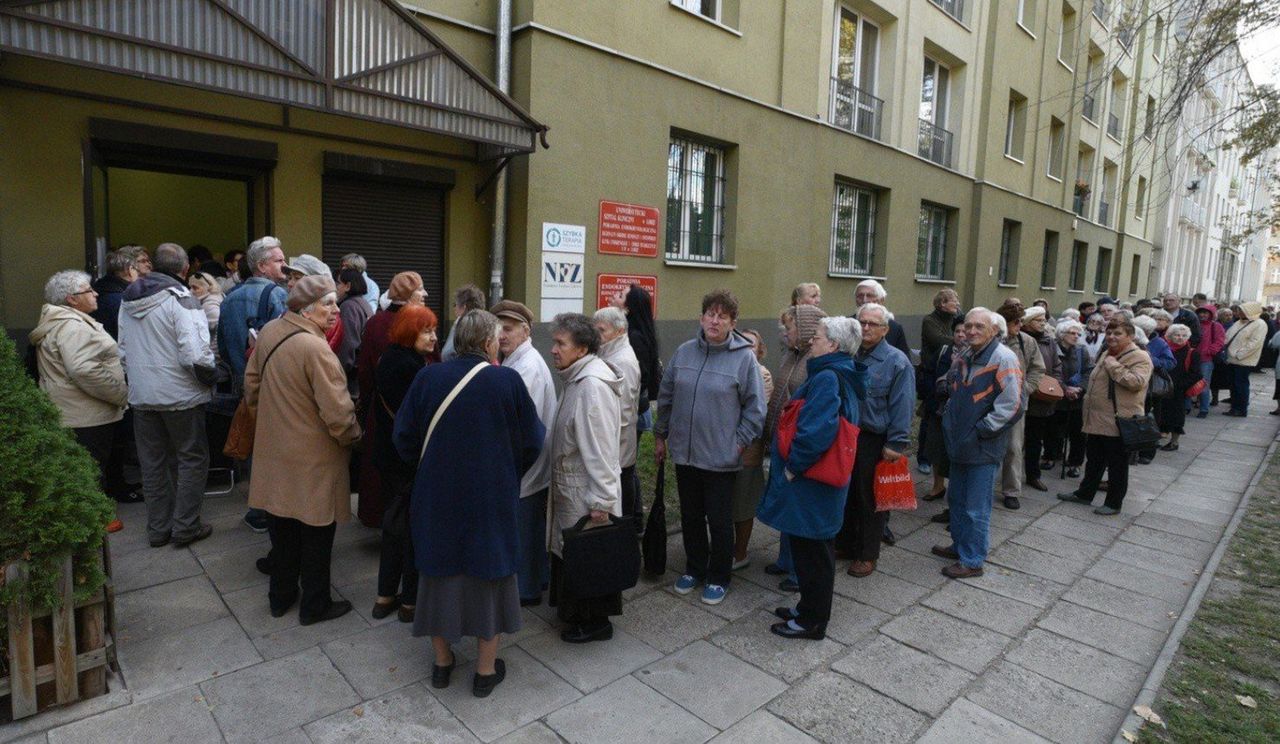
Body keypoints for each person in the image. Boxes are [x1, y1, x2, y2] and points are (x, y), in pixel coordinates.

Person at [394, 310, 544, 698]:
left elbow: (404, 438)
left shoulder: (427, 376)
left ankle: (443, 664)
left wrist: (430, 467)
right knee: (489, 577)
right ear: (489, 343)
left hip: (435, 493)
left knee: (437, 574)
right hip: (490, 496)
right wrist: (506, 472)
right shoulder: (506, 381)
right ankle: (484, 671)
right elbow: (533, 441)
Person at [245, 275, 360, 625]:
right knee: (316, 534)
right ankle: (315, 605)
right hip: (313, 458)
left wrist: (271, 423)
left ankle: (279, 598)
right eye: (328, 304)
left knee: (282, 531)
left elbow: (250, 387)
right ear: (306, 310)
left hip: (274, 453)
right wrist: (353, 438)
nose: (335, 311)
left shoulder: (269, 332)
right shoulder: (316, 348)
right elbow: (339, 414)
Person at [757, 317, 865, 639]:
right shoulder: (840, 372)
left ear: (832, 344)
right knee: (813, 551)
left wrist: (794, 467)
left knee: (814, 555)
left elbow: (816, 431)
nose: (811, 342)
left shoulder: (828, 378)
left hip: (812, 483)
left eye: (816, 337)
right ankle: (807, 608)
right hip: (821, 485)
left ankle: (812, 621)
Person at [656, 289, 765, 606]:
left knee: (719, 521)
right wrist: (661, 435)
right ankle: (694, 567)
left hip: (721, 458)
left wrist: (739, 442)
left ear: (733, 322)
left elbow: (755, 409)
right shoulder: (685, 352)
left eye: (722, 315)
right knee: (691, 516)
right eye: (710, 314)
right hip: (686, 455)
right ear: (702, 317)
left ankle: (718, 576)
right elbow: (666, 396)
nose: (714, 320)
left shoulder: (744, 358)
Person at [118, 243, 216, 548]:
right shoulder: (182, 299)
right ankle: (186, 527)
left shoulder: (127, 300)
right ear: (185, 269)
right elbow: (195, 356)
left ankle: (158, 529)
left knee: (152, 463)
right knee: (191, 459)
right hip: (181, 395)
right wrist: (213, 376)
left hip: (142, 395)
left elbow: (122, 351)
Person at [30, 270, 132, 531]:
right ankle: (96, 522)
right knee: (90, 468)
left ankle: (92, 519)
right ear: (72, 299)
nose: (95, 293)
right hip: (86, 414)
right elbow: (84, 370)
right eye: (89, 290)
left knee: (84, 468)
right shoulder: (72, 326)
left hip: (75, 411)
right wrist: (120, 394)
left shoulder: (64, 321)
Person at [545, 313, 624, 643]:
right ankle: (577, 615)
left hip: (585, 492)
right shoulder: (577, 377)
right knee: (575, 556)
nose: (553, 350)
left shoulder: (591, 386)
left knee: (588, 557)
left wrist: (602, 501)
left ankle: (595, 624)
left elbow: (602, 449)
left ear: (582, 348)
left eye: (561, 343)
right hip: (572, 487)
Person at [932, 308, 1024, 578]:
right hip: (960, 442)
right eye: (968, 325)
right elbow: (953, 384)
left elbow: (1013, 404)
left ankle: (972, 560)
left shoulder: (1004, 358)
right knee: (957, 500)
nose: (971, 331)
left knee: (976, 507)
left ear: (994, 330)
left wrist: (982, 430)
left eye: (979, 327)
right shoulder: (966, 353)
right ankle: (960, 546)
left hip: (982, 445)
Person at [370, 305, 438, 623]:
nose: (434, 337)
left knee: (394, 523)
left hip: (388, 454)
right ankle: (410, 601)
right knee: (412, 529)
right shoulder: (414, 368)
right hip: (408, 458)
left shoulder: (389, 358)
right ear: (411, 332)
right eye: (427, 331)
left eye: (435, 330)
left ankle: (385, 596)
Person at [836, 302, 913, 577]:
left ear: (885, 330)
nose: (865, 328)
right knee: (845, 493)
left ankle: (868, 554)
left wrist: (896, 443)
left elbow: (903, 404)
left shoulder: (896, 361)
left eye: (872, 324)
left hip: (874, 438)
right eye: (862, 322)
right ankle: (845, 544)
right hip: (846, 434)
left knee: (870, 499)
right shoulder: (848, 353)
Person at [493, 300, 557, 606]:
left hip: (527, 463)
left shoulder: (526, 366)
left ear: (525, 330)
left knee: (525, 527)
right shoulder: (517, 359)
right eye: (498, 329)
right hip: (528, 462)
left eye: (507, 329)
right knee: (529, 528)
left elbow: (518, 424)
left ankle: (526, 590)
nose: (501, 335)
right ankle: (536, 580)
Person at [354, 271, 428, 528]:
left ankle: (380, 518)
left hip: (380, 407)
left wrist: (365, 402)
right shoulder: (419, 322)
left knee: (380, 467)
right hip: (413, 414)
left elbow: (363, 368)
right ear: (409, 295)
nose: (426, 294)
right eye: (421, 289)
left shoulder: (374, 323)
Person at [1057, 318, 1153, 515]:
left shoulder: (1139, 356)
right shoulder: (1108, 352)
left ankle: (1113, 503)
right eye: (1109, 333)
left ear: (1130, 336)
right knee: (1094, 460)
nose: (1111, 337)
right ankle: (1085, 494)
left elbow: (1136, 382)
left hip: (1119, 420)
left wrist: (1113, 365)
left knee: (1117, 465)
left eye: (1117, 334)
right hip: (1097, 419)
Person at [763, 304, 827, 589]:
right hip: (781, 439)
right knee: (785, 502)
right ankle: (785, 560)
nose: (784, 334)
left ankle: (798, 573)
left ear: (804, 330)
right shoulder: (791, 354)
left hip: (798, 443)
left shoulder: (814, 363)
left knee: (798, 508)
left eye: (788, 328)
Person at [593, 306, 641, 522]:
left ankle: (626, 536)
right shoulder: (610, 351)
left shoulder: (622, 360)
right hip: (614, 446)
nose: (597, 335)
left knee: (621, 499)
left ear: (620, 331)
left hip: (618, 446)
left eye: (602, 330)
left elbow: (622, 411)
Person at [731, 329, 773, 569]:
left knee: (743, 505)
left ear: (759, 350)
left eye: (751, 344)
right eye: (741, 342)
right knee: (729, 503)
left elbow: (754, 411)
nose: (745, 347)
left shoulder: (762, 374)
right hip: (725, 448)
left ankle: (740, 553)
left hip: (748, 450)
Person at [996, 300, 1045, 510]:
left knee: (1014, 448)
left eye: (1019, 322)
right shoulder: (993, 340)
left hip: (1017, 404)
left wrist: (1026, 388)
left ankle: (1011, 490)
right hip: (990, 402)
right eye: (1014, 322)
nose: (1017, 326)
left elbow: (1038, 368)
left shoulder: (1027, 342)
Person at [922, 316, 967, 503]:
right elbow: (928, 372)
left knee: (954, 454)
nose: (961, 335)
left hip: (960, 414)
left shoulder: (972, 355)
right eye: (957, 331)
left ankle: (955, 494)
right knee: (935, 449)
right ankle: (937, 486)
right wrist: (930, 397)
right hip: (938, 409)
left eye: (964, 331)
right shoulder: (944, 351)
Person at [919, 289, 961, 477]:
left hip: (951, 374)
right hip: (931, 373)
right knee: (929, 417)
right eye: (954, 301)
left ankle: (942, 460)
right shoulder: (930, 320)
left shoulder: (955, 319)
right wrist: (959, 338)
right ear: (942, 303)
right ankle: (923, 458)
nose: (957, 304)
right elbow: (937, 341)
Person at [1022, 306, 1062, 492]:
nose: (1043, 323)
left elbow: (1057, 366)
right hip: (1022, 395)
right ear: (1028, 323)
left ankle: (1033, 475)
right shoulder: (1020, 340)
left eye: (1044, 320)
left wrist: (1054, 384)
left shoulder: (1050, 342)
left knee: (1034, 440)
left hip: (1042, 399)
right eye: (1039, 320)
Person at [621, 284, 661, 448]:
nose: (614, 297)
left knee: (626, 456)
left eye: (621, 296)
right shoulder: (631, 331)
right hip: (631, 406)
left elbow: (641, 376)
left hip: (632, 408)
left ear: (629, 307)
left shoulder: (635, 337)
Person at [1048, 319, 1090, 478]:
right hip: (1057, 394)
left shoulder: (1081, 350)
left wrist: (1080, 388)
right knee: (1053, 429)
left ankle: (1075, 463)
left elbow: (1088, 371)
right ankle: (1051, 456)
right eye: (1072, 333)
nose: (1076, 336)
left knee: (1078, 433)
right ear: (1061, 334)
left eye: (1078, 333)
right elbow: (1049, 371)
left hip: (1077, 398)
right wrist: (1064, 389)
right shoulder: (1052, 347)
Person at [285, 254, 345, 353]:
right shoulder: (290, 311)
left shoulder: (330, 320)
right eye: (290, 278)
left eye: (297, 278)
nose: (290, 283)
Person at [1158, 324, 1200, 451]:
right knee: (1160, 413)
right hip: (1161, 388)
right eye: (1177, 335)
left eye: (1184, 336)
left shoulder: (1192, 353)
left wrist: (1180, 386)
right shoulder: (1164, 349)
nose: (1180, 338)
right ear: (1170, 336)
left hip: (1178, 391)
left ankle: (1174, 442)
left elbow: (1197, 374)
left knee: (1176, 417)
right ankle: (1159, 437)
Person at [1223, 302, 1268, 417]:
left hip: (1243, 361)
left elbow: (1254, 343)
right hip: (1231, 359)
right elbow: (1228, 336)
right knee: (1233, 385)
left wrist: (1239, 354)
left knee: (1241, 385)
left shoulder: (1259, 324)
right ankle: (1234, 407)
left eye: (1242, 310)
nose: (1238, 313)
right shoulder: (1239, 322)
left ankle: (1241, 409)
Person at [335, 267, 371, 398]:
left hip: (350, 384)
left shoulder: (348, 307)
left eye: (338, 283)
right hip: (360, 378)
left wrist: (338, 375)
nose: (335, 287)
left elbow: (348, 345)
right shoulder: (363, 303)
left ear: (347, 285)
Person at [854, 279, 911, 359]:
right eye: (860, 296)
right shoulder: (847, 323)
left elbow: (904, 360)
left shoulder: (894, 328)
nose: (864, 300)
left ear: (881, 300)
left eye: (870, 295)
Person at [91, 248, 139, 340]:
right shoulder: (125, 298)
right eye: (136, 270)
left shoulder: (97, 290)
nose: (138, 274)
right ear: (130, 270)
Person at [1194, 304, 1225, 418]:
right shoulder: (1195, 325)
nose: (1202, 315)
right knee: (1189, 383)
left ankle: (1204, 409)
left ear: (1211, 314)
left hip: (1206, 359)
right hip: (1192, 358)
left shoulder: (1216, 326)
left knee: (1204, 385)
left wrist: (1209, 351)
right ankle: (1187, 407)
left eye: (1205, 313)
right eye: (1200, 312)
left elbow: (1219, 341)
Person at [441, 284, 486, 361]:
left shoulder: (459, 325)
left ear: (464, 307)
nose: (454, 309)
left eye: (455, 305)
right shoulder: (488, 324)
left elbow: (447, 354)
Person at [187, 271, 223, 336]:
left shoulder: (209, 305)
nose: (191, 291)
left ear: (207, 287)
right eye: (190, 287)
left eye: (195, 288)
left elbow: (220, 330)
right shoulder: (217, 297)